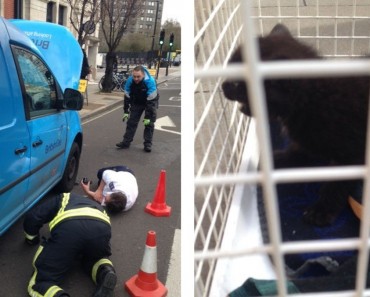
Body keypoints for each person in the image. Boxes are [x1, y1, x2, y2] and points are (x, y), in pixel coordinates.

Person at [23, 192, 116, 297]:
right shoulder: (97, 206)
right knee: (96, 258)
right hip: (101, 229)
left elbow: (34, 216)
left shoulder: (63, 197)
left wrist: (32, 238)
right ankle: (105, 272)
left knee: (40, 282)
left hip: (70, 229)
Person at [115, 65, 159, 152]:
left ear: (143, 75)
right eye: (134, 76)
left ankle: (147, 144)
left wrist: (147, 117)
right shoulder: (130, 81)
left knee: (149, 124)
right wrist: (126, 111)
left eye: (138, 76)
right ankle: (126, 142)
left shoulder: (150, 81)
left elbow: (151, 101)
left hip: (150, 101)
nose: (136, 79)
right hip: (137, 102)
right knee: (131, 122)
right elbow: (127, 96)